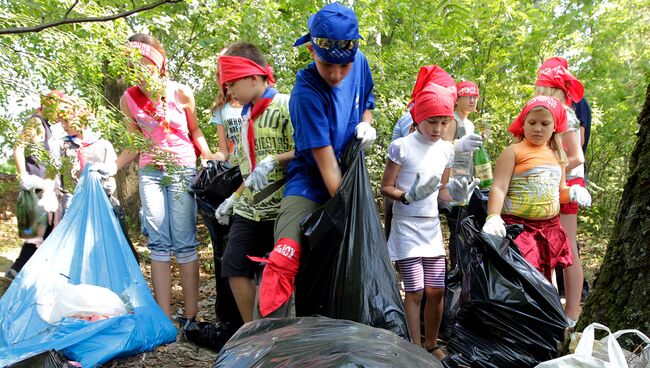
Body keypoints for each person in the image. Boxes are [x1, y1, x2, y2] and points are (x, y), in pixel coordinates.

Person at [257, 2, 377, 319]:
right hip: (311, 184)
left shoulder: (359, 62)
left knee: (352, 269)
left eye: (344, 67)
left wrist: (366, 124)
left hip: (347, 177)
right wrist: (353, 212)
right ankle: (266, 346)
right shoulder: (306, 92)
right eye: (328, 66)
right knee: (284, 258)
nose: (337, 75)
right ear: (312, 50)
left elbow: (367, 102)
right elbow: (325, 166)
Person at [116, 33, 216, 320]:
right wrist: (109, 167)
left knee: (184, 240)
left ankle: (192, 316)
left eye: (142, 62)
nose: (136, 70)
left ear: (157, 63)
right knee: (158, 242)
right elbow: (135, 143)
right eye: (130, 64)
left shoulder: (180, 92)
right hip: (150, 171)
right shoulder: (128, 99)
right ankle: (164, 317)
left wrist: (207, 155)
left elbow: (194, 131)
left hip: (181, 169)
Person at [380, 82, 478, 359]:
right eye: (431, 121)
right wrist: (407, 196)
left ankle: (431, 343)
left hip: (431, 226)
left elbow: (441, 192)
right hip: (406, 226)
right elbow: (385, 186)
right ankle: (414, 345)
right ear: (418, 119)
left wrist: (456, 193)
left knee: (436, 290)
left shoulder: (447, 150)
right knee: (416, 290)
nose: (437, 128)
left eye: (444, 122)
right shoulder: (401, 147)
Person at [214, 41, 295, 323]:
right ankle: (254, 335)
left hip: (282, 210)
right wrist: (233, 198)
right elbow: (249, 170)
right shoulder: (246, 116)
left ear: (252, 76)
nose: (230, 91)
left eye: (232, 83)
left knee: (279, 278)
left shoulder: (286, 105)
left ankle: (280, 335)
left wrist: (275, 159)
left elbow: (308, 149)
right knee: (234, 266)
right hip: (249, 209)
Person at [482, 97, 591, 293]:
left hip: (549, 230)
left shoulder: (558, 156)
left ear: (555, 127)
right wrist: (493, 216)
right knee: (523, 282)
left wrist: (573, 192)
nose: (538, 128)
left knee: (544, 281)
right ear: (523, 124)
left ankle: (541, 320)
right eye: (532, 123)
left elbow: (559, 193)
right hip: (520, 230)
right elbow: (499, 186)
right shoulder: (513, 152)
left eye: (544, 123)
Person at [384, 65, 470, 240]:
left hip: (428, 206)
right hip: (403, 199)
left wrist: (457, 193)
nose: (438, 128)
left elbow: (443, 159)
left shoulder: (448, 120)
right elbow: (413, 152)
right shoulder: (412, 118)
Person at [534, 61, 586, 325]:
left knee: (568, 248)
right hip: (546, 186)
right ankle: (550, 307)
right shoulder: (546, 113)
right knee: (546, 247)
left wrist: (553, 171)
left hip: (568, 187)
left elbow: (576, 156)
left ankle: (572, 312)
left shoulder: (568, 115)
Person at [56, 104, 138, 262]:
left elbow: (111, 177)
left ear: (81, 119)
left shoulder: (103, 145)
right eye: (61, 121)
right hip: (73, 204)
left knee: (113, 241)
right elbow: (61, 178)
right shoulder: (63, 146)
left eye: (66, 120)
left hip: (101, 202)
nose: (63, 125)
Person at [6, 91, 67, 280]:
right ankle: (17, 271)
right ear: (49, 104)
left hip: (51, 187)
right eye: (59, 107)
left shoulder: (49, 127)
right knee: (39, 232)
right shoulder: (36, 121)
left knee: (48, 231)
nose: (61, 114)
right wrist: (23, 175)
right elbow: (19, 146)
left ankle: (28, 272)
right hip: (39, 186)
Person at [443, 80, 484, 269]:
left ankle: (465, 268)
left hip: (467, 180)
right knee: (457, 227)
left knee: (466, 226)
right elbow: (442, 150)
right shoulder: (452, 120)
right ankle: (457, 270)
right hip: (452, 182)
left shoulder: (470, 124)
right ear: (457, 99)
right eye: (467, 96)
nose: (472, 100)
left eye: (474, 97)